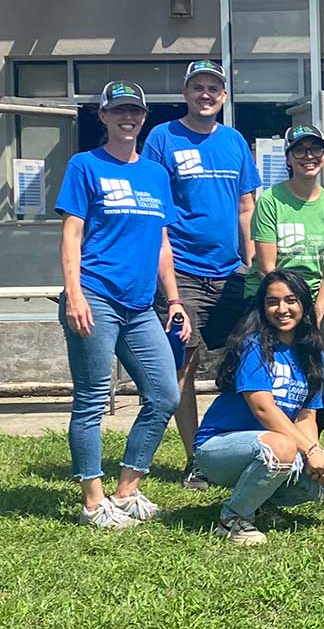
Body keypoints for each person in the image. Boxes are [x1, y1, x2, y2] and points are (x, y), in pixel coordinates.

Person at [56, 80, 188, 528]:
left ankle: (126, 489)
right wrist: (73, 293)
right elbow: (72, 233)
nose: (127, 118)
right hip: (94, 295)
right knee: (92, 398)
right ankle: (93, 503)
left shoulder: (154, 173)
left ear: (143, 117)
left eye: (135, 111)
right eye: (118, 112)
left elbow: (162, 243)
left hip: (139, 305)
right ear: (104, 117)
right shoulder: (84, 165)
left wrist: (173, 299)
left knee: (164, 394)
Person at [144, 59, 260, 491]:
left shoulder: (233, 141)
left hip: (232, 273)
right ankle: (197, 459)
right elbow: (153, 208)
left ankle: (238, 444)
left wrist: (250, 260)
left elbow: (247, 206)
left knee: (245, 361)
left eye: (214, 88)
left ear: (224, 96)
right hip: (183, 273)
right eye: (199, 87)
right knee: (183, 367)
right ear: (186, 93)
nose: (206, 95)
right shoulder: (162, 137)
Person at [194, 269, 324, 546]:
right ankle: (232, 520)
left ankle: (259, 503)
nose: (282, 309)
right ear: (262, 307)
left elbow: (306, 417)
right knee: (283, 448)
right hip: (218, 448)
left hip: (271, 447)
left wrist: (321, 460)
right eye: (272, 302)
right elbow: (262, 408)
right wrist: (309, 451)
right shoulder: (255, 346)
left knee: (318, 483)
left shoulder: (313, 355)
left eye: (291, 300)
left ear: (304, 305)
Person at [245, 124, 324, 432]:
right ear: (288, 158)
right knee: (270, 379)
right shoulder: (271, 201)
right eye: (300, 150)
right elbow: (267, 268)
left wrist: (315, 312)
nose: (309, 156)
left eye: (315, 149)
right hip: (269, 302)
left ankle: (308, 441)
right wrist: (287, 309)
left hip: (313, 305)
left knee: (319, 384)